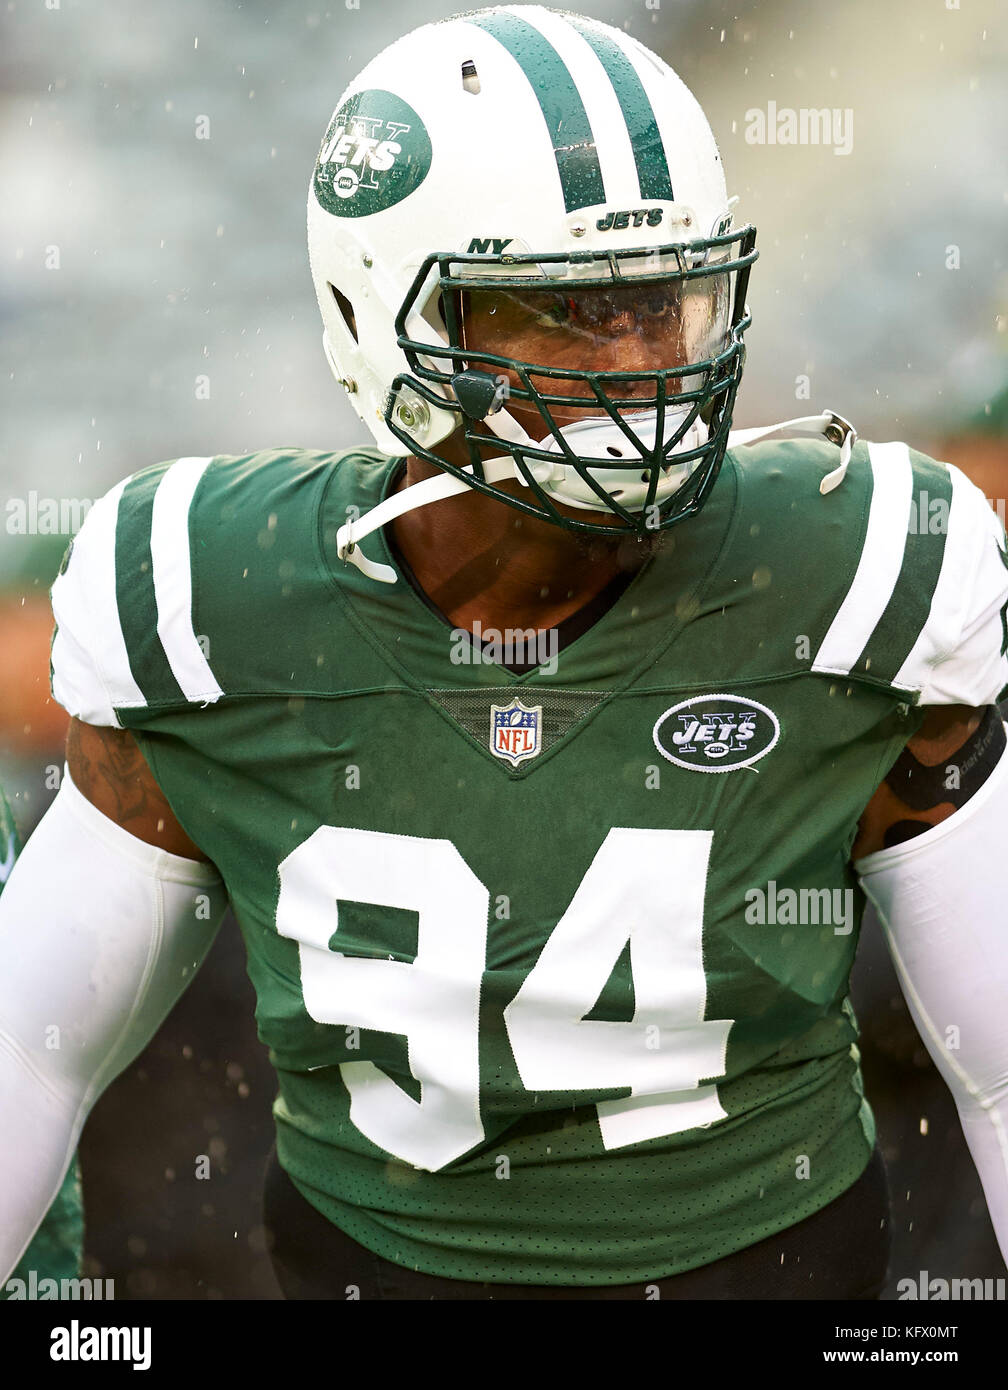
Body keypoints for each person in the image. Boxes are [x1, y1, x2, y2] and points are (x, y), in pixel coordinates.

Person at [1, 5, 1007, 1300]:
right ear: (386, 309)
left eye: (670, 299)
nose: (646, 364)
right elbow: (35, 1048)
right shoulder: (211, 597)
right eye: (577, 310)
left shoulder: (854, 569)